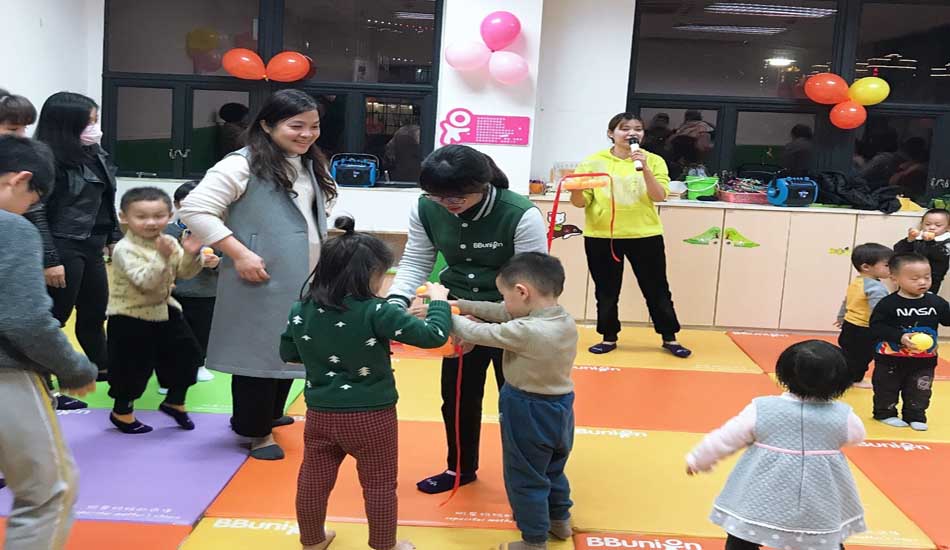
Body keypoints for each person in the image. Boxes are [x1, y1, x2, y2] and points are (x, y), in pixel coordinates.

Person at [179, 89, 337, 460]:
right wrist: (240, 253)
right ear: (267, 125)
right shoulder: (241, 164)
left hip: (304, 273)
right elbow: (195, 210)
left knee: (292, 344)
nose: (307, 134)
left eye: (314, 126)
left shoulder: (306, 162)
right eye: (296, 126)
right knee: (258, 352)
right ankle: (254, 431)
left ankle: (270, 413)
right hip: (260, 272)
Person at [384, 144, 547, 494]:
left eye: (457, 196)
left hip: (513, 319)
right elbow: (416, 260)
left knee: (519, 403)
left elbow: (531, 284)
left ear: (482, 185)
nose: (448, 203)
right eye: (438, 196)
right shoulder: (427, 207)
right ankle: (459, 468)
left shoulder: (520, 213)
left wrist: (482, 327)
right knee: (458, 398)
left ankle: (528, 481)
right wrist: (395, 303)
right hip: (457, 314)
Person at [281, 216, 451, 550]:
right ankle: (385, 544)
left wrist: (326, 352)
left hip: (320, 413)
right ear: (369, 274)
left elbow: (289, 353)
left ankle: (312, 540)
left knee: (313, 480)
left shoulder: (301, 308)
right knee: (379, 486)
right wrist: (439, 302)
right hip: (372, 415)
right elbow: (434, 335)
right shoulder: (377, 311)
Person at [0, 134, 98, 550]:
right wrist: (74, 368)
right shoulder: (11, 227)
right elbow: (25, 320)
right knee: (48, 492)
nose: (29, 208)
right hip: (6, 373)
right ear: (19, 180)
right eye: (33, 199)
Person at [686, 340, 866, 550]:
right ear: (841, 381)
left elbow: (726, 437)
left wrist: (698, 459)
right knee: (821, 537)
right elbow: (857, 436)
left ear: (784, 374)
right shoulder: (843, 415)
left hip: (762, 493)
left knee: (743, 535)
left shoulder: (763, 408)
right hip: (818, 494)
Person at [450, 252, 577, 550]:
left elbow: (477, 332)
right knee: (552, 469)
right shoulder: (562, 319)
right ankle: (559, 520)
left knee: (524, 475)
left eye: (506, 297)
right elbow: (500, 312)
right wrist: (460, 304)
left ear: (522, 292)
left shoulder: (528, 330)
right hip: (561, 405)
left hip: (527, 407)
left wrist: (443, 311)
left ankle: (533, 540)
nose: (504, 304)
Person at [26, 91, 121, 408]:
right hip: (63, 243)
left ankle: (103, 368)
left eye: (95, 120)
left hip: (92, 244)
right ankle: (45, 386)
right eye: (89, 122)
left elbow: (106, 200)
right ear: (67, 125)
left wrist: (114, 236)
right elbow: (36, 210)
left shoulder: (95, 153)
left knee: (94, 312)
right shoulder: (45, 159)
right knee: (55, 318)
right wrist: (50, 259)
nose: (96, 128)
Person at [570, 113, 690, 358]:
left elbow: (659, 196)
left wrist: (644, 168)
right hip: (602, 236)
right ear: (611, 133)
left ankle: (669, 337)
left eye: (637, 128)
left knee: (656, 288)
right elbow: (580, 203)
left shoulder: (654, 160)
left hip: (645, 234)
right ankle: (608, 336)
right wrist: (576, 189)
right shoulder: (593, 162)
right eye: (624, 128)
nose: (632, 133)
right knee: (606, 290)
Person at [106, 186, 218, 434]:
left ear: (169, 216)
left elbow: (184, 273)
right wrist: (162, 258)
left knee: (189, 355)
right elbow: (145, 282)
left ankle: (175, 401)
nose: (151, 222)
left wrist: (192, 255)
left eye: (158, 216)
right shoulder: (125, 248)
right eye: (141, 216)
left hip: (165, 309)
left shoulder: (167, 241)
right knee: (132, 367)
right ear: (124, 217)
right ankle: (122, 412)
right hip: (130, 315)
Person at [870, 253, 950, 431]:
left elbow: (947, 318)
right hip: (891, 359)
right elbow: (876, 327)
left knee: (920, 389)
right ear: (894, 278)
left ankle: (915, 415)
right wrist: (900, 337)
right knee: (886, 388)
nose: (922, 282)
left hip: (924, 360)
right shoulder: (888, 304)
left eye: (927, 277)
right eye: (915, 278)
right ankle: (885, 413)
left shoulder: (935, 302)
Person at [159, 181, 218, 392]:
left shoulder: (215, 231)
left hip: (205, 292)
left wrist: (216, 263)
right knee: (170, 335)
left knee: (202, 332)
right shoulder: (166, 230)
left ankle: (199, 365)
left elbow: (229, 259)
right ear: (176, 205)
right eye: (186, 205)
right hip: (173, 293)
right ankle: (168, 375)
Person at [835, 243, 893, 388]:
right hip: (864, 328)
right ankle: (856, 379)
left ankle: (843, 376)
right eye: (887, 265)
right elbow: (878, 310)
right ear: (866, 267)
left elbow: (846, 301)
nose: (891, 268)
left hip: (849, 325)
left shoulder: (857, 282)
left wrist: (841, 317)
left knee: (848, 354)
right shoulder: (875, 287)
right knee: (862, 356)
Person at [893, 208, 950, 294]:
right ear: (921, 224)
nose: (931, 227)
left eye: (938, 225)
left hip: (932, 278)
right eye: (927, 224)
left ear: (948, 227)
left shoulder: (947, 241)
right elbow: (898, 251)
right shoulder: (918, 238)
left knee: (926, 297)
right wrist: (910, 240)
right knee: (905, 295)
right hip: (909, 275)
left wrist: (930, 242)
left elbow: (939, 256)